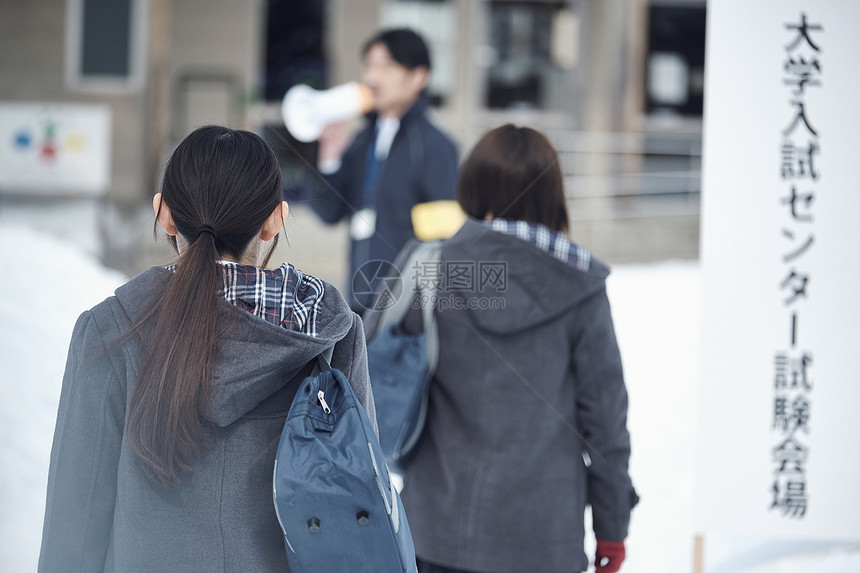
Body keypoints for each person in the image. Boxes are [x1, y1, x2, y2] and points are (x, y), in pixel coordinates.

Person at [38, 125, 375, 572]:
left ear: (163, 215)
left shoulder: (109, 331)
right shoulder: (330, 334)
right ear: (276, 220)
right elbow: (361, 510)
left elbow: (73, 531)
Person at [366, 125, 638, 573]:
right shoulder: (581, 285)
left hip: (434, 531)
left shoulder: (429, 265)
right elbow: (605, 423)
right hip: (542, 541)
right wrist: (613, 525)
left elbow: (368, 364)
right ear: (553, 194)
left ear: (472, 186)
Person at [308, 27, 458, 312]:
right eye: (369, 65)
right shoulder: (361, 141)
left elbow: (443, 239)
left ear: (419, 76)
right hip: (359, 304)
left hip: (408, 312)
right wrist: (329, 157)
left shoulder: (435, 147)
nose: (372, 78)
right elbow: (328, 212)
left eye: (386, 66)